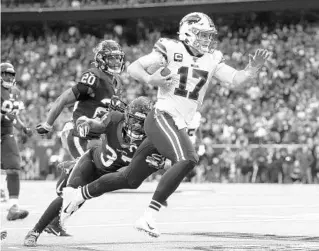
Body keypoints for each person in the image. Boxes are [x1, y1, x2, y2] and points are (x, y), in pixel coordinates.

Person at [126, 12, 270, 237]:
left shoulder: (212, 58)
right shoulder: (170, 48)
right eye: (202, 35)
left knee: (129, 178)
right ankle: (148, 216)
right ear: (188, 32)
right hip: (162, 115)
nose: (207, 40)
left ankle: (78, 195)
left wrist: (253, 69)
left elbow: (237, 80)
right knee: (187, 159)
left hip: (177, 122)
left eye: (209, 36)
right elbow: (134, 67)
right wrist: (148, 79)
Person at [24, 96, 164, 247]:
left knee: (78, 201)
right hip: (91, 162)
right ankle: (34, 231)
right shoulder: (115, 119)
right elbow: (94, 124)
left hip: (106, 177)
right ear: (127, 115)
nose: (136, 126)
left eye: (141, 123)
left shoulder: (150, 141)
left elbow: (134, 173)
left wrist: (160, 163)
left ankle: (56, 223)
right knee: (68, 197)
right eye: (134, 120)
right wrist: (85, 123)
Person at [35, 40, 125, 236]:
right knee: (82, 181)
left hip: (94, 137)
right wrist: (48, 124)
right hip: (78, 133)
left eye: (118, 57)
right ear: (101, 59)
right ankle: (57, 204)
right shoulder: (93, 77)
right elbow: (63, 99)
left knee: (90, 180)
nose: (116, 61)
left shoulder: (115, 82)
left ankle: (57, 217)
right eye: (111, 57)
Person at [1, 62, 32, 222]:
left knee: (13, 167)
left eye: (11, 74)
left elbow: (15, 116)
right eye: (6, 73)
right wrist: (3, 117)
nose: (9, 77)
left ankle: (13, 207)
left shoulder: (16, 92)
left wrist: (23, 128)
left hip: (6, 133)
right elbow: (7, 115)